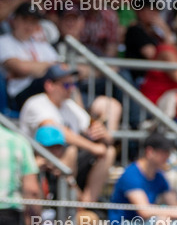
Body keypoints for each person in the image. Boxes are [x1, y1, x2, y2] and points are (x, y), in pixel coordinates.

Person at [18, 65, 116, 204]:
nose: (71, 88)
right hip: (38, 159)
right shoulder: (36, 103)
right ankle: (67, 202)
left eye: (73, 84)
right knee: (70, 150)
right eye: (66, 84)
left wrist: (103, 135)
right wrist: (92, 147)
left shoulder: (70, 105)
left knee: (108, 152)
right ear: (49, 85)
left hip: (63, 161)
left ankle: (86, 203)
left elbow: (91, 128)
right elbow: (57, 130)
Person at [0, 2, 59, 110]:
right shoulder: (4, 41)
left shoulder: (41, 44)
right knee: (49, 78)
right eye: (25, 20)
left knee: (68, 83)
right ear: (15, 20)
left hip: (43, 91)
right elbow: (21, 68)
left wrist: (36, 68)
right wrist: (48, 66)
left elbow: (60, 67)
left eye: (33, 21)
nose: (29, 25)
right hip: (17, 93)